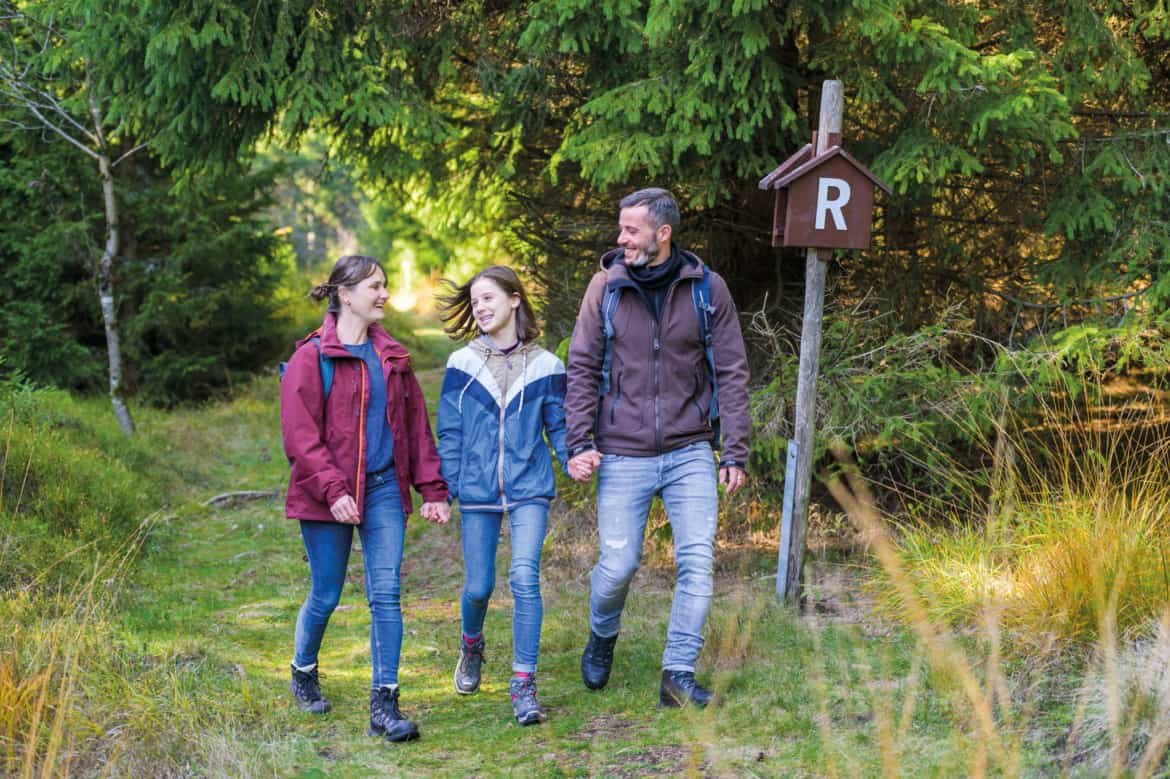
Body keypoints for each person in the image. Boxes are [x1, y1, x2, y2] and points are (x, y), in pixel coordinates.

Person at [564, 188, 750, 708]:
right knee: (619, 564)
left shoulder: (706, 289)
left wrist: (733, 449)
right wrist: (579, 440)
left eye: (631, 230)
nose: (621, 239)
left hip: (690, 449)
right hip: (622, 451)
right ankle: (603, 634)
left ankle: (677, 676)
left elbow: (732, 372)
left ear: (662, 234)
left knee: (698, 562)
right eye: (621, 229)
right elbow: (581, 367)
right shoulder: (606, 288)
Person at [280, 254, 450, 743]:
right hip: (324, 494)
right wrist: (333, 490)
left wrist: (433, 489)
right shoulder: (311, 359)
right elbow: (300, 437)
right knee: (327, 593)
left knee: (386, 594)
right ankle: (303, 670)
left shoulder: (391, 357)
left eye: (385, 285)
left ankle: (385, 705)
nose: (384, 295)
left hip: (379, 489)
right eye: (375, 286)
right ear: (345, 294)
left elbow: (415, 427)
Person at [435, 265, 569, 725]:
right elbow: (449, 433)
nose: (481, 308)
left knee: (524, 578)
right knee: (479, 587)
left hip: (530, 487)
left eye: (489, 298)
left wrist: (576, 461)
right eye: (475, 303)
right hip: (477, 490)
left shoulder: (548, 366)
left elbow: (561, 428)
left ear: (515, 300)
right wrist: (444, 489)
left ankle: (523, 684)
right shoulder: (462, 365)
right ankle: (472, 645)